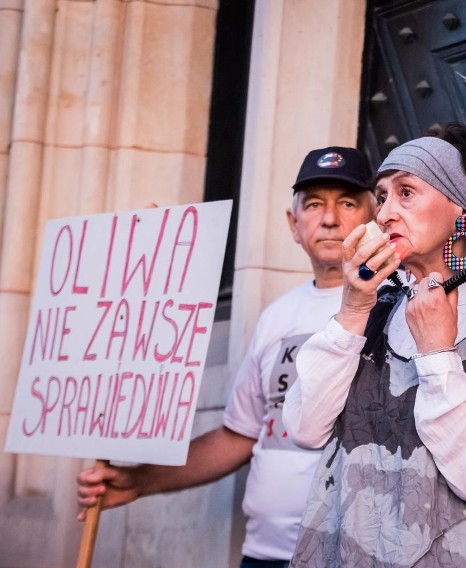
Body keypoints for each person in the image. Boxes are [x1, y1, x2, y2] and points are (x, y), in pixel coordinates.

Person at [76, 146, 376, 568]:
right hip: (264, 554)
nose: (329, 218)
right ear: (294, 224)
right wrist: (137, 481)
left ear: (374, 215)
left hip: (351, 556)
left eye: (347, 202)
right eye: (314, 204)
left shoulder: (394, 307)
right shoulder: (276, 318)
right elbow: (240, 436)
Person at [282, 123, 466, 567]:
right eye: (382, 196)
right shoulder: (373, 310)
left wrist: (438, 354)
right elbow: (304, 429)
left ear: (462, 211)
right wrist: (351, 311)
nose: (383, 213)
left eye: (406, 193)